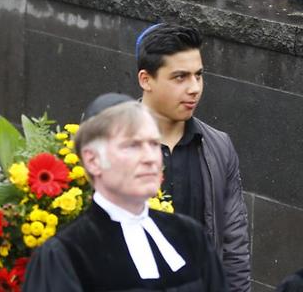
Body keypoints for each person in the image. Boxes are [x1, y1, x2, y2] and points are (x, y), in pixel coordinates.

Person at [22, 101, 228, 291]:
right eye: (132, 145)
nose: (150, 158)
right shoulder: (66, 254)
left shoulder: (189, 235)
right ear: (93, 160)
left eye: (154, 144)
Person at [135, 23, 250, 291]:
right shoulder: (112, 141)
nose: (194, 88)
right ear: (146, 79)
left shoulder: (218, 147)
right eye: (180, 77)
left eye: (199, 75)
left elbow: (234, 244)